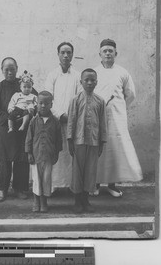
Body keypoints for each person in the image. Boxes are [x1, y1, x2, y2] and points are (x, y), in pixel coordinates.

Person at [94, 39, 143, 197]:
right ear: (100, 54)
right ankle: (94, 184)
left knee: (114, 150)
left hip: (117, 118)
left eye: (110, 50)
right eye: (105, 50)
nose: (108, 53)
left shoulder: (123, 72)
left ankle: (112, 185)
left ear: (116, 53)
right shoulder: (94, 72)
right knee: (98, 149)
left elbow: (130, 94)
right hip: (97, 117)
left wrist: (117, 107)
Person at [0, 57, 38, 202]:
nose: (10, 72)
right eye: (7, 69)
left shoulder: (25, 84)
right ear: (2, 70)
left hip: (23, 130)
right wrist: (8, 119)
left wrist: (29, 115)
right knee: (5, 160)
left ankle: (20, 188)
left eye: (12, 69)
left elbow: (37, 102)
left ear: (17, 68)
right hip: (6, 129)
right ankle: (2, 189)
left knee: (22, 159)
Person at [67, 68, 107, 213]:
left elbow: (103, 123)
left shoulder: (100, 101)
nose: (89, 83)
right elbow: (71, 120)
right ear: (81, 82)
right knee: (78, 172)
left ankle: (86, 200)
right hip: (78, 142)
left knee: (90, 172)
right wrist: (70, 141)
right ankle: (77, 201)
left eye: (92, 80)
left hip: (94, 142)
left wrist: (102, 142)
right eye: (86, 80)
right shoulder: (75, 100)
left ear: (96, 82)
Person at [44, 42, 82, 191]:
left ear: (72, 54)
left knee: (72, 153)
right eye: (62, 52)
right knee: (55, 153)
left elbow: (80, 98)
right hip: (56, 120)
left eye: (69, 52)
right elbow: (47, 98)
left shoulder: (78, 76)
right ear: (58, 54)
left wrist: (71, 116)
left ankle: (73, 186)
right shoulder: (52, 75)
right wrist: (60, 115)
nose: (66, 55)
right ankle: (53, 185)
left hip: (73, 121)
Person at [25, 91, 62, 213]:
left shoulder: (55, 121)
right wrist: (29, 153)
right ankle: (36, 200)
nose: (43, 106)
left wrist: (56, 153)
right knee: (36, 179)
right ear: (37, 104)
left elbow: (58, 139)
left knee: (46, 179)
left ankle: (44, 201)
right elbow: (29, 138)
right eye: (40, 103)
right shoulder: (33, 121)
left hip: (49, 156)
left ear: (51, 104)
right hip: (36, 156)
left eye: (46, 103)